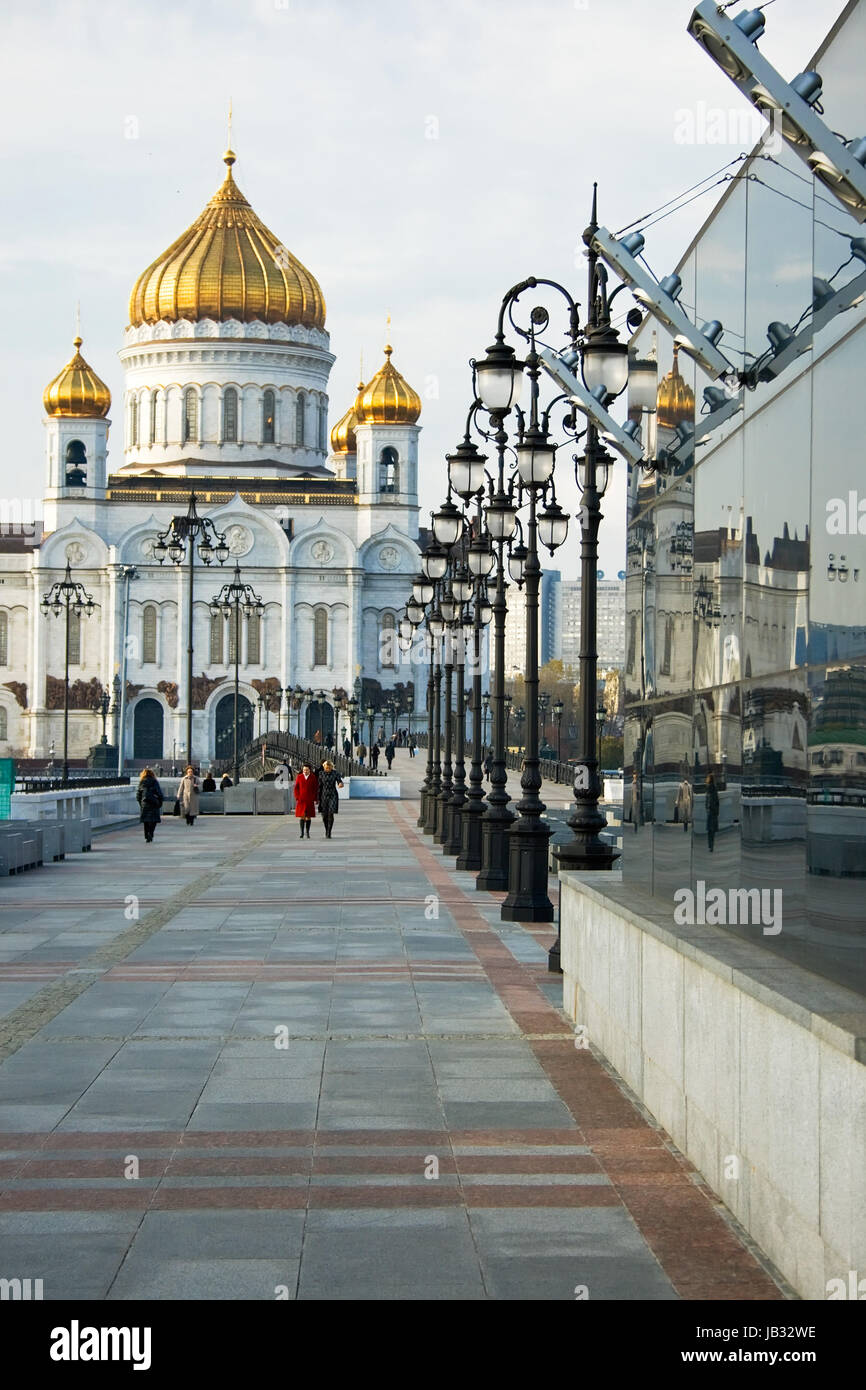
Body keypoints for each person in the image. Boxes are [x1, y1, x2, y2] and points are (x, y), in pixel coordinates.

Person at [317, 760, 344, 839]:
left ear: (331, 767)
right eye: (326, 768)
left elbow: (339, 781)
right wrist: (318, 797)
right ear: (324, 767)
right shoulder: (321, 773)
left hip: (333, 795)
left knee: (330, 813)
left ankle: (329, 832)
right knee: (324, 815)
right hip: (324, 795)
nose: (327, 769)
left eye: (329, 768)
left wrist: (340, 784)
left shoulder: (335, 773)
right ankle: (326, 829)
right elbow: (319, 786)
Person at [137, 767, 164, 844]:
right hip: (154, 803)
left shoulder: (142, 782)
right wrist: (160, 802)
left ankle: (146, 835)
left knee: (146, 821)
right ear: (152, 774)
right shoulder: (154, 781)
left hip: (144, 803)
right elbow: (159, 793)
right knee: (153, 820)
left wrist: (141, 803)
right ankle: (151, 833)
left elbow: (138, 795)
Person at [293, 763, 319, 838]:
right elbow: (296, 788)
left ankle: (307, 832)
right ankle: (301, 832)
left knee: (308, 816)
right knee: (302, 815)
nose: (305, 771)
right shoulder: (300, 777)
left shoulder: (313, 777)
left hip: (309, 799)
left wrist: (315, 798)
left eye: (307, 770)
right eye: (304, 770)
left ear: (309, 770)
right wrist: (297, 797)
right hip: (301, 799)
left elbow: (315, 788)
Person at [706, 772, 720, 852]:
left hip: (710, 810)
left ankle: (710, 845)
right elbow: (717, 800)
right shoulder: (714, 788)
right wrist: (717, 811)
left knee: (709, 830)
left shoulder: (709, 788)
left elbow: (707, 799)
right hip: (713, 811)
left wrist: (707, 808)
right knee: (712, 830)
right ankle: (711, 846)